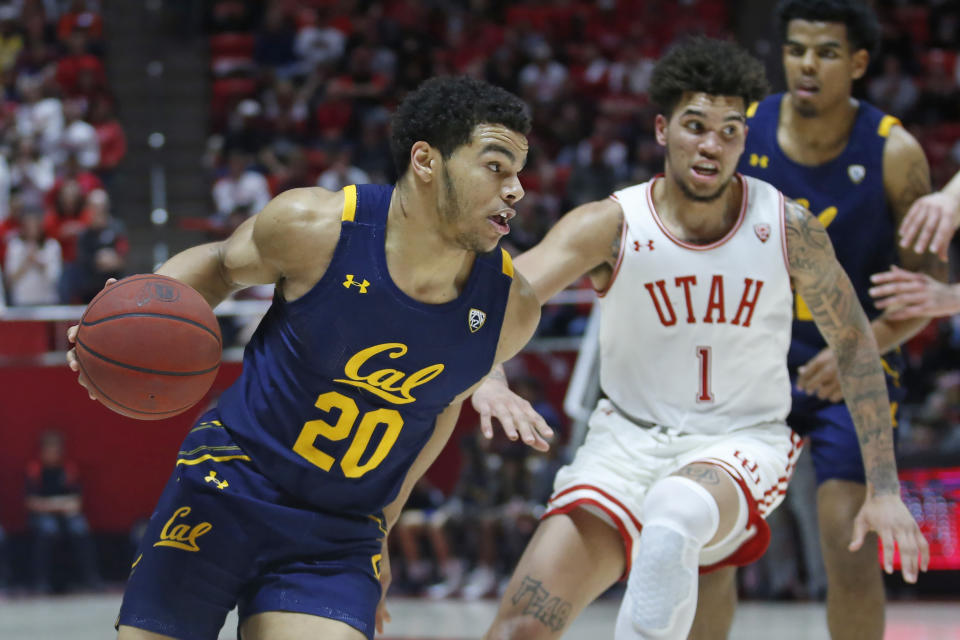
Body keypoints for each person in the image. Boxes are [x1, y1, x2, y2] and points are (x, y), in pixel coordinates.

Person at [473, 37, 927, 640]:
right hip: (625, 442)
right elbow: (496, 299)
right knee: (518, 629)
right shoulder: (609, 225)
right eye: (695, 125)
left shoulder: (788, 227)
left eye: (730, 129)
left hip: (739, 444)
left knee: (673, 512)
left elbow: (854, 347)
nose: (711, 144)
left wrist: (885, 488)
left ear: (746, 138)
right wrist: (490, 375)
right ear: (663, 130)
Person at [66, 75, 549, 640]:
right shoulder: (315, 226)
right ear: (426, 160)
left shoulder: (511, 311)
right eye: (495, 166)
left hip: (337, 533)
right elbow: (222, 264)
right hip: (228, 482)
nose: (515, 189)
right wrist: (136, 318)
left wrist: (385, 527)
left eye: (519, 171)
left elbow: (437, 412)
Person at [727, 2, 945, 638]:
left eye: (825, 52)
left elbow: (924, 291)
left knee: (847, 541)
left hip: (855, 376)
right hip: (751, 366)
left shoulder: (896, 153)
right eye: (796, 49)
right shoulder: (742, 131)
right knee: (710, 544)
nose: (806, 65)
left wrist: (857, 348)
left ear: (857, 63)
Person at [25, 430, 102, 592]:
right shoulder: (35, 469)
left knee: (80, 529)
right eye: (49, 449)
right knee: (48, 530)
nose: (53, 453)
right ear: (42, 451)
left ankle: (90, 579)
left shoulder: (68, 468)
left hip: (67, 515)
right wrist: (58, 504)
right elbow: (31, 502)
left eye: (56, 449)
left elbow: (76, 503)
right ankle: (41, 582)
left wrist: (50, 504)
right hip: (43, 516)